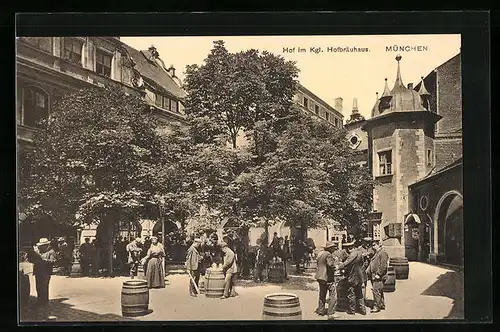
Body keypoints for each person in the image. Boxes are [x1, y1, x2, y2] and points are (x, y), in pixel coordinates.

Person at [337, 240, 366, 315]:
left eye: (348, 248)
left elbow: (347, 263)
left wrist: (339, 266)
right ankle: (363, 310)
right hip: (360, 276)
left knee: (351, 293)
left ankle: (352, 310)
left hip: (353, 277)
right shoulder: (360, 253)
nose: (347, 249)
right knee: (359, 293)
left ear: (351, 247)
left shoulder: (353, 254)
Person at [314, 241, 340, 320]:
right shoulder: (328, 255)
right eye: (333, 248)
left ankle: (321, 310)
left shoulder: (320, 253)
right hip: (327, 278)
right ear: (330, 248)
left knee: (322, 294)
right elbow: (330, 265)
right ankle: (331, 313)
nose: (334, 249)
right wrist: (336, 267)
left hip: (319, 277)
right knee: (333, 296)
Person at [28, 238, 57, 306]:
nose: (40, 247)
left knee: (44, 286)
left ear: (46, 245)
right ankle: (39, 300)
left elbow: (53, 261)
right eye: (40, 246)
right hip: (38, 271)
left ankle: (44, 301)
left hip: (46, 272)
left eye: (42, 246)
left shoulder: (51, 252)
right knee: (38, 286)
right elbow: (31, 259)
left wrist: (44, 261)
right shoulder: (38, 251)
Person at [367, 240, 389, 313]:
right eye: (372, 245)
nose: (373, 247)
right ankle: (382, 305)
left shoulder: (383, 253)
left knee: (376, 291)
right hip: (374, 275)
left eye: (374, 245)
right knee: (379, 290)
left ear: (379, 245)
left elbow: (383, 265)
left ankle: (377, 306)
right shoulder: (377, 253)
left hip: (379, 276)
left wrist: (378, 274)